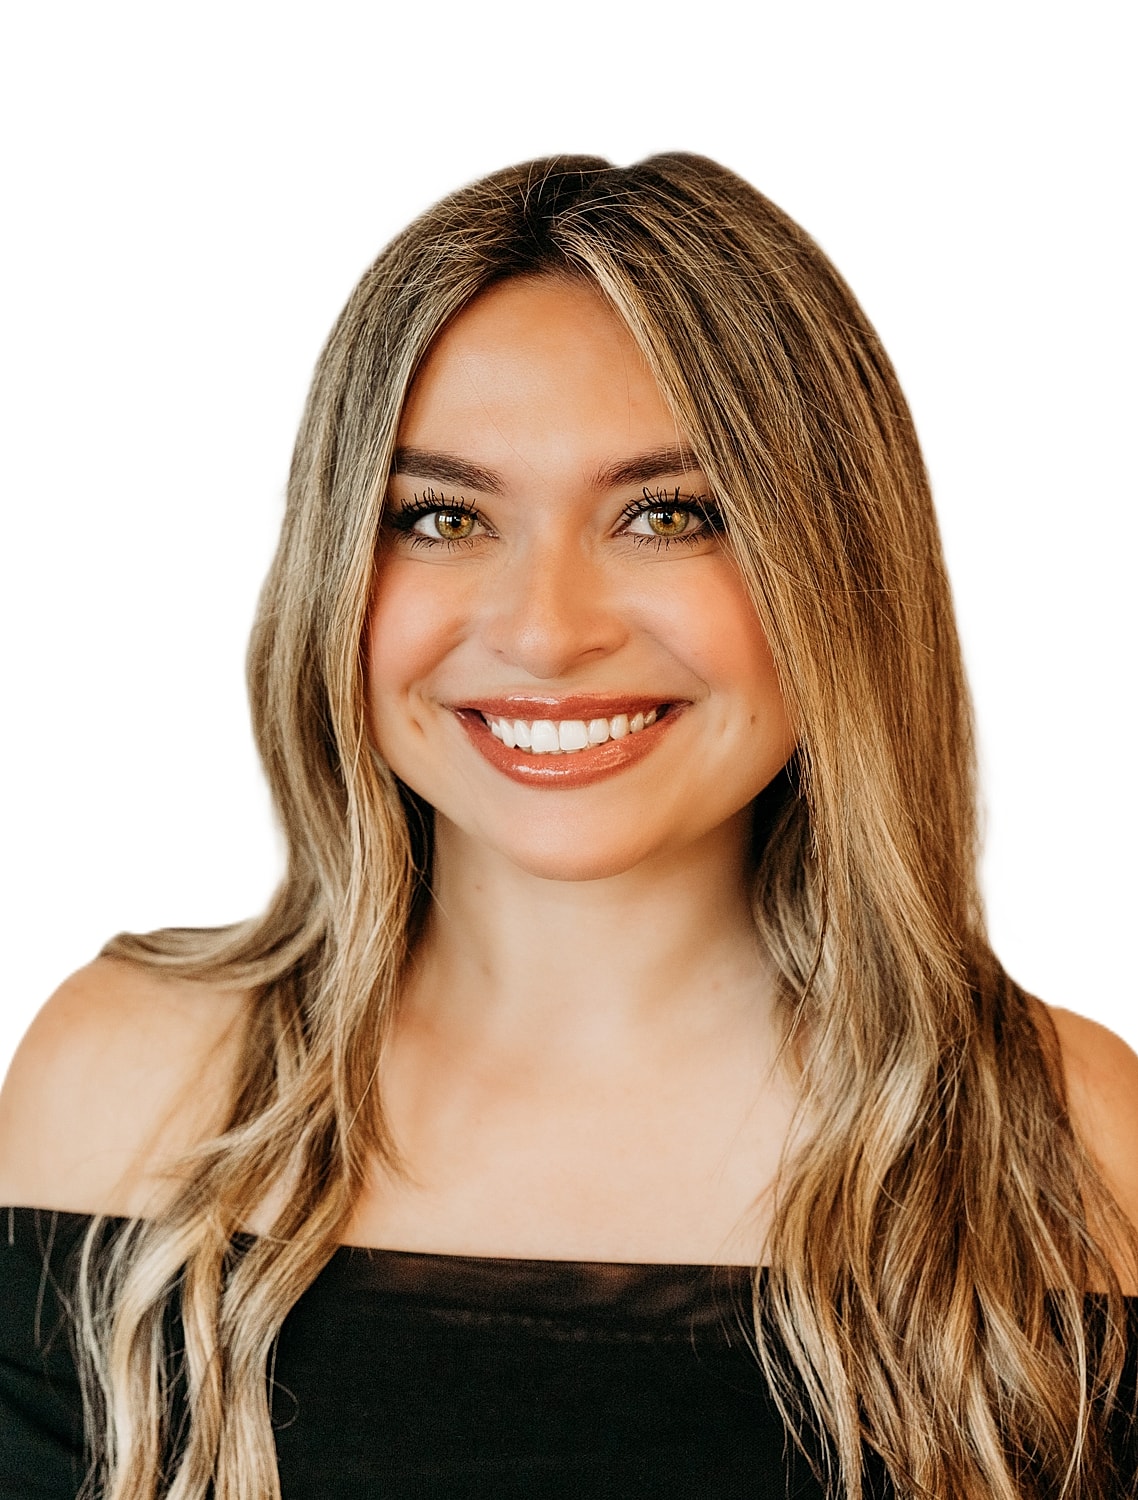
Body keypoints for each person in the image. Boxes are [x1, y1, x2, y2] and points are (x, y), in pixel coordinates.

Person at [1, 154, 1136, 1500]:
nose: (545, 631)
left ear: (834, 561)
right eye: (440, 516)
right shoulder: (135, 1090)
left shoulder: (1064, 1145)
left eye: (667, 515)